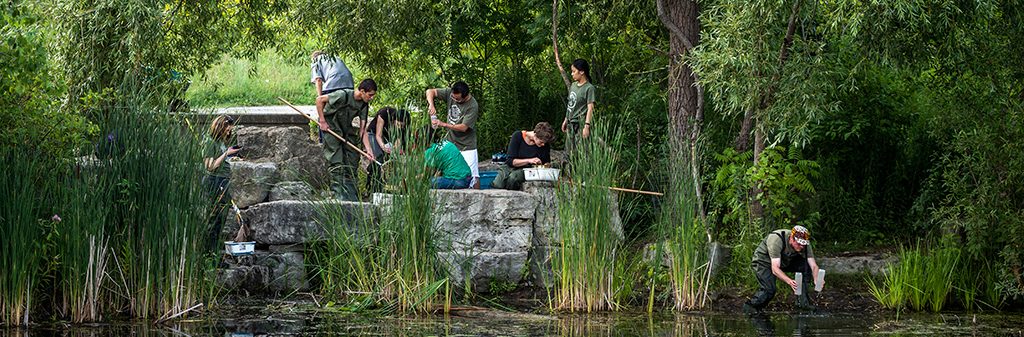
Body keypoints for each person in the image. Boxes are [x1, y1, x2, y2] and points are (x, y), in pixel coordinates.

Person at [315, 79, 377, 201]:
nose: (372, 98)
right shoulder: (343, 95)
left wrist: (369, 150)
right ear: (362, 91)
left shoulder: (364, 105)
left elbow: (363, 131)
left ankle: (351, 194)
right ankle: (337, 194)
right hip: (331, 126)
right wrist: (322, 121)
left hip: (345, 128)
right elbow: (319, 100)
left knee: (352, 158)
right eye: (370, 95)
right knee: (336, 161)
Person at [743, 225, 823, 314]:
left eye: (803, 244)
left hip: (785, 260)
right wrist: (789, 281)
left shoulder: (804, 245)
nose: (801, 247)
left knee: (805, 267)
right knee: (769, 290)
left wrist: (816, 278)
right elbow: (775, 268)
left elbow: (814, 266)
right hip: (764, 261)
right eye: (799, 244)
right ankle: (751, 306)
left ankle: (802, 304)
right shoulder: (776, 240)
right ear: (792, 239)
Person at [426, 81, 480, 188]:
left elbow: (464, 127)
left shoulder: (473, 105)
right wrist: (431, 105)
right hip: (451, 142)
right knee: (446, 172)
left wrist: (443, 124)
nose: (454, 100)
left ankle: (479, 197)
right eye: (453, 97)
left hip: (467, 145)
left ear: (465, 96)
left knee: (473, 176)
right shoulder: (450, 93)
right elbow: (430, 91)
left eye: (457, 99)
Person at [202, 115, 239, 252]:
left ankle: (215, 253)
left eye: (230, 130)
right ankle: (209, 252)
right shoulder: (209, 142)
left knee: (221, 219)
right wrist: (226, 154)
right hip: (215, 181)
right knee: (215, 218)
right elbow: (210, 166)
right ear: (219, 127)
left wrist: (231, 156)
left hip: (223, 180)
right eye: (227, 130)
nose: (228, 133)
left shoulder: (220, 143)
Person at [491, 122, 555, 190]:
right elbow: (510, 161)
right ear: (535, 135)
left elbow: (546, 162)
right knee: (498, 184)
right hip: (511, 166)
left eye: (544, 143)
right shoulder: (517, 136)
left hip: (527, 169)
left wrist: (543, 165)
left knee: (513, 178)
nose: (543, 145)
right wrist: (529, 160)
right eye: (541, 142)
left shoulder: (545, 145)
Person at [364, 106, 410, 194]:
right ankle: (373, 187)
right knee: (379, 157)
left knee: (387, 162)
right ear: (394, 119)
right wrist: (383, 147)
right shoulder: (384, 113)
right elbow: (378, 135)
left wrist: (394, 151)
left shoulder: (403, 127)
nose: (400, 127)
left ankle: (381, 185)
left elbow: (399, 140)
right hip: (373, 134)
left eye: (402, 126)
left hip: (388, 139)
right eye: (398, 124)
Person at [560, 59, 596, 155]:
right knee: (568, 153)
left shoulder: (589, 88)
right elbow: (570, 104)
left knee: (581, 153)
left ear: (582, 72)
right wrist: (566, 119)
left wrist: (586, 126)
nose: (572, 74)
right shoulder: (573, 86)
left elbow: (590, 108)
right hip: (570, 124)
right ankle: (568, 170)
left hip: (580, 124)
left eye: (574, 71)